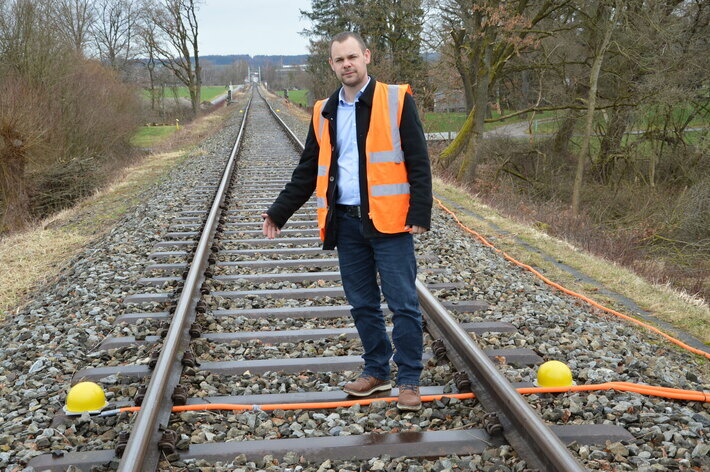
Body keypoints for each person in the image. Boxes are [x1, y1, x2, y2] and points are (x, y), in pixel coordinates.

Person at [262, 31, 432, 411]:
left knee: (403, 303)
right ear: (332, 64)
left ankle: (408, 379)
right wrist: (279, 211)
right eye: (340, 60)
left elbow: (418, 160)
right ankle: (376, 372)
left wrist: (420, 212)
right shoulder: (324, 109)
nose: (347, 65)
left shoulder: (395, 99)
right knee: (362, 304)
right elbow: (308, 169)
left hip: (390, 223)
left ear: (366, 56)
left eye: (353, 57)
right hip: (347, 223)